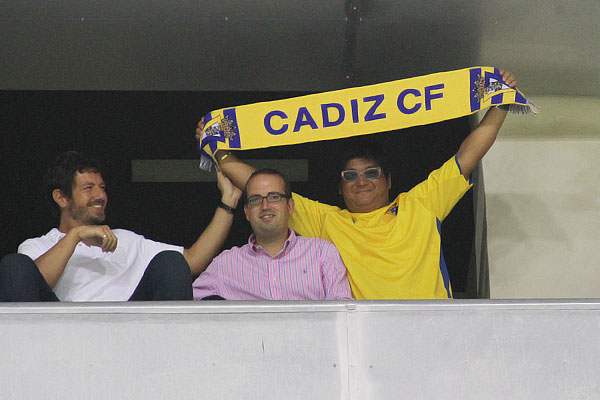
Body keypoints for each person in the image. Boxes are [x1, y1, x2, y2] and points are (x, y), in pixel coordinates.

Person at [197, 70, 518, 300]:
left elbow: (467, 156)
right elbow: (260, 187)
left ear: (389, 180)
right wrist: (215, 147)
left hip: (432, 329)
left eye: (371, 172)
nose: (361, 181)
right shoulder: (327, 221)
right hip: (368, 339)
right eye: (350, 175)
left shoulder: (421, 203)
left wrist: (500, 104)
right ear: (339, 188)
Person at [0, 150, 241, 302]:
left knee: (170, 261)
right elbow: (27, 284)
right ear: (61, 197)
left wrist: (228, 202)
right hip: (63, 336)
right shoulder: (38, 246)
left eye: (102, 188)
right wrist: (75, 236)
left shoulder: (125, 239)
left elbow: (192, 261)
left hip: (130, 334)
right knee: (14, 265)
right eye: (88, 188)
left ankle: (174, 359)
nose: (100, 195)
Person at [192, 168, 352, 300]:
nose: (265, 205)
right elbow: (184, 309)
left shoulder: (322, 254)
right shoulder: (226, 263)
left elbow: (344, 314)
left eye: (274, 197)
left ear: (290, 206)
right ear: (247, 212)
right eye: (255, 199)